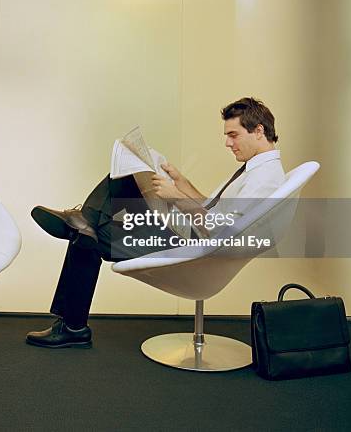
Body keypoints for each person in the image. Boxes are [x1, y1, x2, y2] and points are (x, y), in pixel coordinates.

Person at [26, 97, 286, 349]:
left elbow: (224, 230)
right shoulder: (256, 170)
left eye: (233, 134)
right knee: (97, 219)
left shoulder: (265, 179)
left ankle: (73, 325)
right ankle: (83, 226)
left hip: (198, 251)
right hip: (195, 238)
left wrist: (176, 198)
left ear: (259, 131)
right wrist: (182, 184)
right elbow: (215, 208)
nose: (227, 143)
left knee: (90, 233)